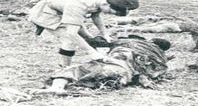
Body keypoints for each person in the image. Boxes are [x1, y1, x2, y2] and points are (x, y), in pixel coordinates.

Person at [31, 35, 171, 95]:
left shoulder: (128, 41)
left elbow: (97, 42)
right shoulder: (159, 57)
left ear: (150, 40)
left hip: (106, 60)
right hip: (122, 69)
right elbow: (156, 71)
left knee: (72, 70)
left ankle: (57, 87)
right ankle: (72, 88)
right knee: (107, 77)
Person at [28, 0, 139, 67]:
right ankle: (64, 69)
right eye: (110, 12)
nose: (109, 14)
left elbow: (96, 15)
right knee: (69, 39)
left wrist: (104, 33)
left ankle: (101, 61)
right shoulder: (78, 6)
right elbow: (72, 33)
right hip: (46, 13)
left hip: (65, 10)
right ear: (106, 4)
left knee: (88, 37)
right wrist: (91, 52)